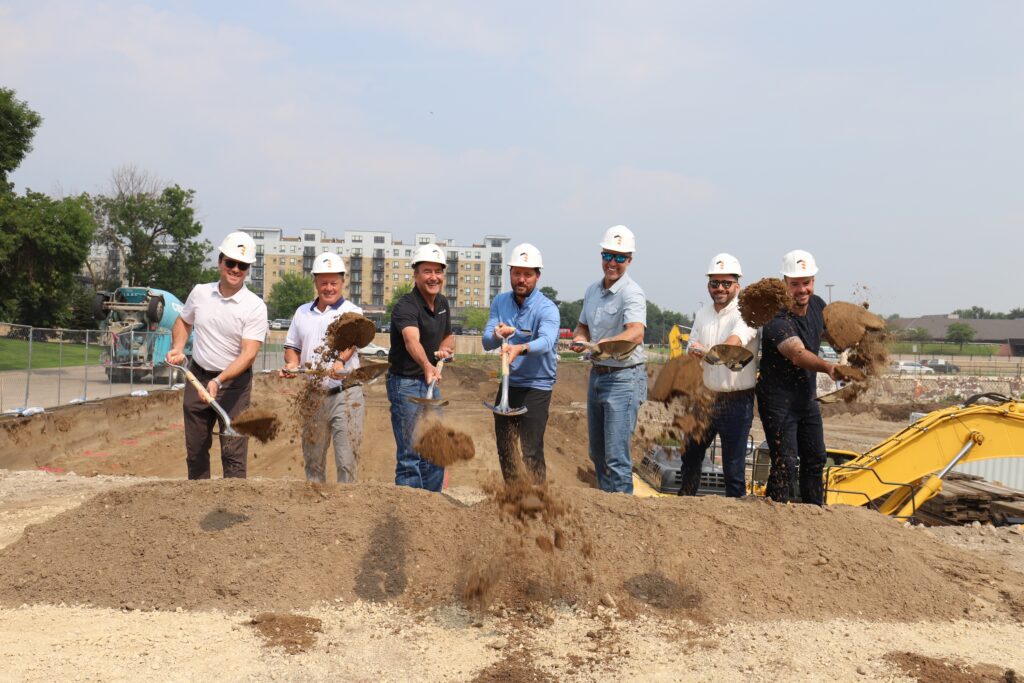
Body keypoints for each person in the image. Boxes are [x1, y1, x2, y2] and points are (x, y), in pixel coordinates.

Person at [168, 231, 268, 479]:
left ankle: (228, 507)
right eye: (230, 262)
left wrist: (218, 381)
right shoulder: (201, 293)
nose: (235, 269)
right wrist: (179, 347)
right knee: (196, 451)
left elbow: (248, 355)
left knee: (233, 454)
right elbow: (183, 321)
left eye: (242, 265)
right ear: (220, 262)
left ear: (248, 269)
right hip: (197, 377)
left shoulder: (254, 306)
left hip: (234, 384)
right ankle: (199, 503)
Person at [755, 249, 839, 505]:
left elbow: (830, 334)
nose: (802, 290)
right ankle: (775, 514)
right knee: (786, 462)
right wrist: (830, 368)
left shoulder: (817, 305)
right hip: (777, 401)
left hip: (805, 398)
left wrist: (850, 349)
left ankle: (814, 513)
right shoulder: (774, 316)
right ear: (785, 284)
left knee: (816, 458)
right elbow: (796, 353)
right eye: (795, 284)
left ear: (813, 280)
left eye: (807, 282)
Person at [571, 225, 647, 494]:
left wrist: (607, 343)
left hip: (624, 378)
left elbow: (636, 332)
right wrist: (581, 339)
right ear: (602, 255)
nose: (612, 263)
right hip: (598, 375)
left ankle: (623, 513)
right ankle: (607, 508)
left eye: (619, 257)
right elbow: (582, 327)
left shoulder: (632, 293)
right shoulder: (592, 290)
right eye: (608, 255)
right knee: (598, 453)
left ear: (629, 260)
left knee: (616, 456)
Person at [678, 253, 759, 498]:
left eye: (726, 283)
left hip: (736, 399)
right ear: (708, 286)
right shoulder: (703, 314)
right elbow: (692, 345)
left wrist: (706, 352)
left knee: (733, 466)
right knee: (690, 455)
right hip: (705, 397)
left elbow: (733, 346)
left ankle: (735, 517)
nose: (720, 288)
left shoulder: (747, 313)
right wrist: (702, 353)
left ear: (737, 285)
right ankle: (684, 506)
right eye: (715, 283)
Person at [280, 253, 365, 483]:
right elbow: (292, 346)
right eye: (323, 282)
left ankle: (346, 506)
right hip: (313, 394)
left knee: (346, 460)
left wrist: (340, 362)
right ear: (316, 282)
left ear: (342, 282)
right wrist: (292, 363)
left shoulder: (352, 311)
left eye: (333, 283)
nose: (329, 288)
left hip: (346, 394)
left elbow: (353, 342)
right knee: (313, 459)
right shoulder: (302, 313)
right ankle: (315, 511)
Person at [482, 243, 560, 483]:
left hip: (537, 386)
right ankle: (514, 497)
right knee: (505, 447)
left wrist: (520, 348)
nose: (521, 279)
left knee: (531, 449)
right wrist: (497, 334)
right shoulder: (500, 302)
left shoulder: (547, 309)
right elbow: (487, 342)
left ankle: (537, 501)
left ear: (537, 276)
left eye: (527, 274)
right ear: (510, 274)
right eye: (516, 273)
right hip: (509, 383)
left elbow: (546, 342)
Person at [387, 243, 455, 491]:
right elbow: (410, 340)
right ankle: (408, 511)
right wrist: (427, 365)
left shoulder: (443, 303)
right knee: (411, 453)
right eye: (427, 271)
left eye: (438, 271)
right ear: (416, 274)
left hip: (429, 381)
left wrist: (446, 351)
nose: (433, 277)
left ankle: (432, 506)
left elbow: (448, 335)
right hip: (405, 383)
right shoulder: (406, 306)